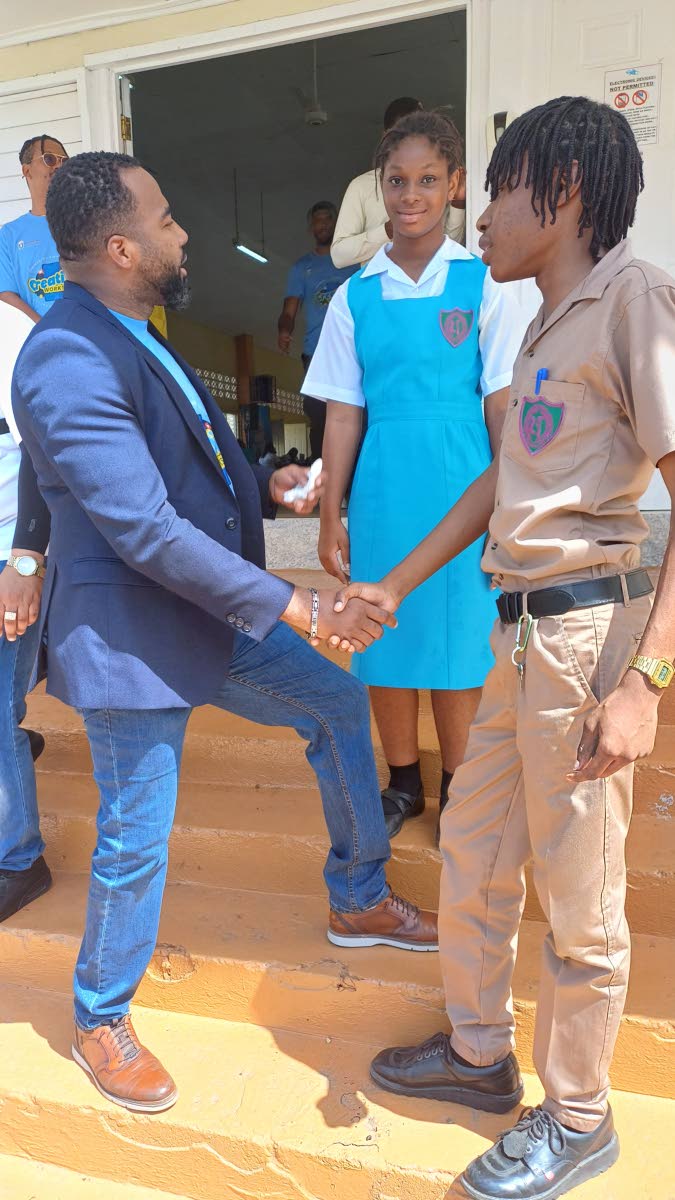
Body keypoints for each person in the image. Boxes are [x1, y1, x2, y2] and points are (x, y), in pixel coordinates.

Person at [12, 150, 438, 1116]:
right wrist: (291, 602)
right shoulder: (65, 355)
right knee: (134, 836)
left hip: (208, 610)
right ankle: (99, 1017)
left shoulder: (133, 329)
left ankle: (356, 891)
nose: (182, 232)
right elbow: (142, 525)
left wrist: (266, 483)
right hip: (131, 637)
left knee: (333, 698)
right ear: (120, 245)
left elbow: (197, 450)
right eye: (164, 219)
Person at [333, 96, 675, 1200]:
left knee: (581, 898)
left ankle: (579, 1116)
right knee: (475, 855)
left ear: (563, 191)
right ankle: (481, 1055)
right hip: (515, 637)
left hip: (585, 637)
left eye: (497, 189)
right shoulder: (540, 318)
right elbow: (503, 483)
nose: (481, 215)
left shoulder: (636, 300)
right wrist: (390, 582)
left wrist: (649, 682)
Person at [305, 110, 526, 843]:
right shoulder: (354, 295)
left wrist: (507, 498)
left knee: (458, 641)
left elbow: (500, 403)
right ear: (378, 186)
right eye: (396, 181)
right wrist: (331, 511)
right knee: (384, 635)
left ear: (454, 186)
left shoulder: (481, 282)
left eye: (428, 180)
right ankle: (401, 780)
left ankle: (458, 783)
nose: (410, 195)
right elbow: (343, 412)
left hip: (465, 484)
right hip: (385, 489)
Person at [0, 303, 52, 922]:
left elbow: (39, 450)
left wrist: (26, 564)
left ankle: (19, 859)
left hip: (11, 553)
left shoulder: (10, 332)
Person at [331, 97, 466, 270]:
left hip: (429, 291)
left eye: (418, 133)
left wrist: (458, 203)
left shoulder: (437, 183)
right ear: (386, 137)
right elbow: (339, 256)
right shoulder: (361, 186)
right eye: (401, 134)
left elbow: (449, 245)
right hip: (377, 293)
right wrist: (387, 231)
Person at [278, 201, 356, 460]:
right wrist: (284, 331)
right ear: (311, 227)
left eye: (328, 219)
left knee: (355, 413)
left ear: (336, 223)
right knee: (318, 416)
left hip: (352, 350)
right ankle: (323, 481)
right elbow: (289, 310)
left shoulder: (354, 263)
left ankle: (353, 487)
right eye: (318, 220)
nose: (323, 224)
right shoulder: (302, 268)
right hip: (316, 352)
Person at [0, 133, 68, 322]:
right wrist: (45, 331)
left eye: (65, 161)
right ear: (27, 171)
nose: (59, 166)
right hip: (40, 342)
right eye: (50, 159)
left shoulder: (86, 222)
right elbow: (6, 294)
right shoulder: (8, 235)